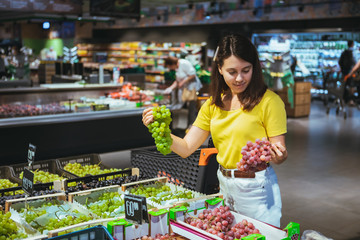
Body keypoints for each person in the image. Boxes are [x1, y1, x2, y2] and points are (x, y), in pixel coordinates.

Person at [143, 34, 288, 227]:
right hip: (225, 186)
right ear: (220, 69)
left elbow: (278, 153)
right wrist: (158, 130)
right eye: (232, 71)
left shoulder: (270, 102)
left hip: (257, 189)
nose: (239, 78)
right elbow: (186, 147)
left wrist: (278, 155)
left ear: (255, 67)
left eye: (246, 70)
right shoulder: (212, 105)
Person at [163, 56, 202, 128]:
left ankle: (191, 126)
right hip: (184, 89)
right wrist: (170, 88)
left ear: (172, 64)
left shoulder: (184, 63)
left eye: (169, 67)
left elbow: (193, 75)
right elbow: (178, 80)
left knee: (191, 107)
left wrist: (183, 82)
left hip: (191, 88)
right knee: (185, 107)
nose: (170, 69)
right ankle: (185, 126)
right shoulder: (176, 68)